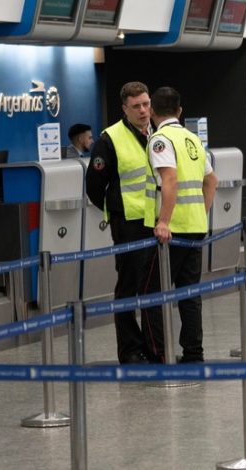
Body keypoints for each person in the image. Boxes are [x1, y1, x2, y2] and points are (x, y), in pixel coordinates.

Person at [142, 86, 218, 364]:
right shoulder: (192, 139)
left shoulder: (160, 140)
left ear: (151, 111)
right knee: (189, 293)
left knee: (152, 293)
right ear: (180, 112)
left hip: (172, 232)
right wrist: (201, 210)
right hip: (196, 227)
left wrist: (163, 221)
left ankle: (159, 356)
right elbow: (212, 181)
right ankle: (193, 353)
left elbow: (170, 180)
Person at [85, 82, 155, 364]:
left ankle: (152, 346)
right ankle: (129, 350)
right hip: (127, 222)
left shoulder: (156, 133)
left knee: (152, 286)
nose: (143, 111)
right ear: (124, 108)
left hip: (153, 220)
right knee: (129, 286)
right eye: (136, 106)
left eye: (146, 104)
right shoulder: (109, 139)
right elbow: (94, 185)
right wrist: (112, 211)